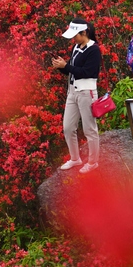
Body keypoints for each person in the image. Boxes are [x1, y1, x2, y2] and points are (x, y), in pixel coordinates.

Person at [51, 18, 102, 174]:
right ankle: (75, 158)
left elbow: (88, 72)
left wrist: (66, 66)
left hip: (86, 92)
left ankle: (93, 162)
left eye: (76, 35)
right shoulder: (76, 47)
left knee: (89, 129)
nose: (74, 39)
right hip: (73, 91)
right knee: (68, 127)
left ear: (84, 32)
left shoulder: (94, 49)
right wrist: (61, 66)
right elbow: (72, 70)